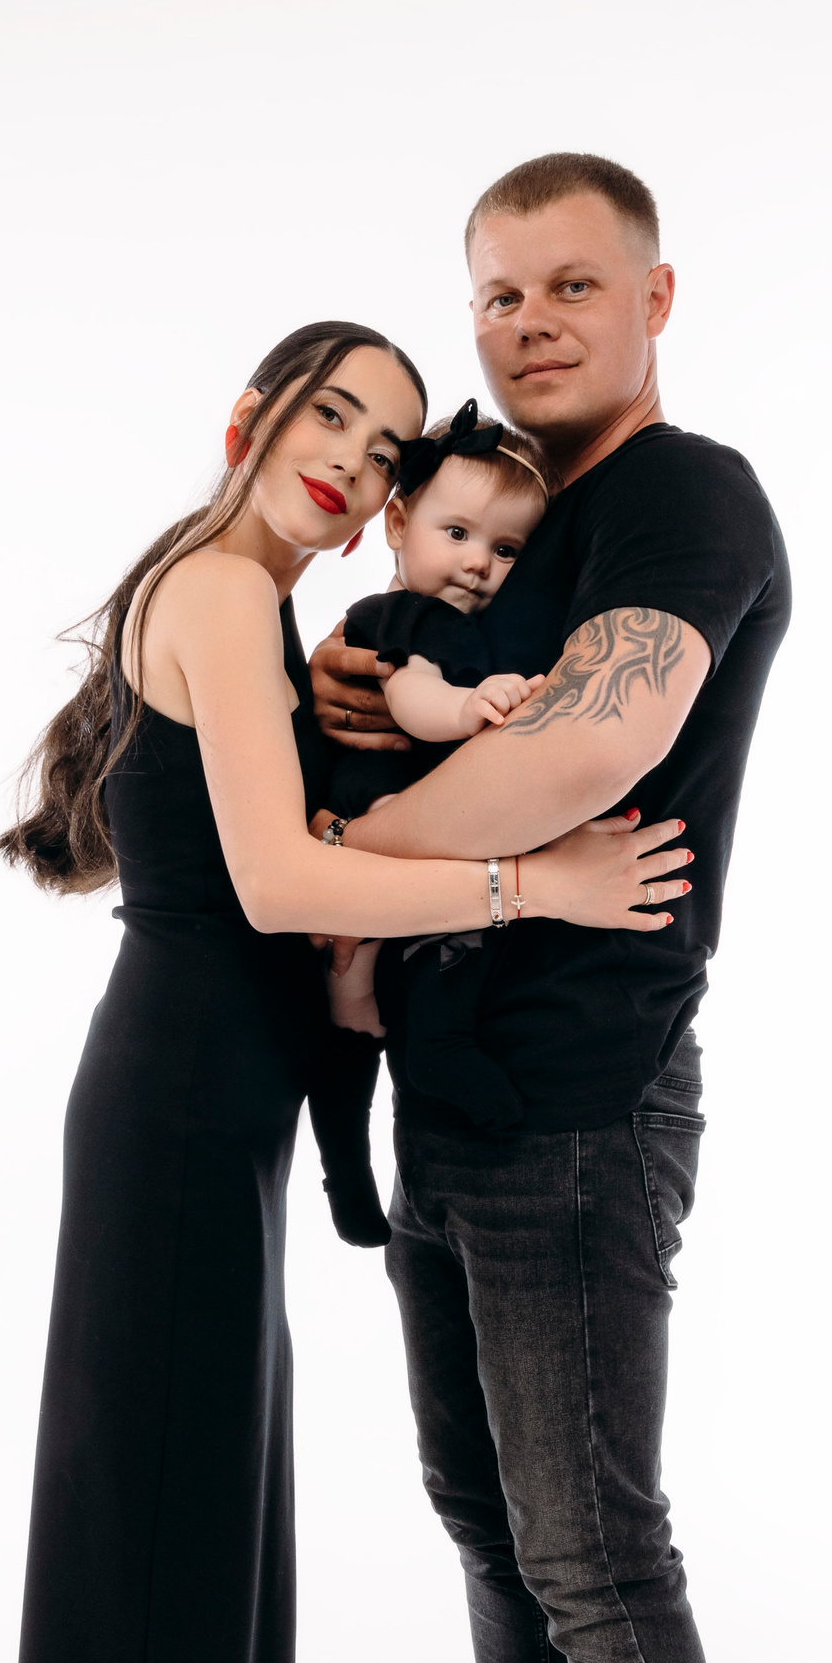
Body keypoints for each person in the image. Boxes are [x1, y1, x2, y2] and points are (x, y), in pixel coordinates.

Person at [0, 319, 692, 1663]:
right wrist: (533, 881)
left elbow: (257, 848)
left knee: (195, 1543)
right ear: (251, 419)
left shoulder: (268, 617)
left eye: (382, 444)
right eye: (332, 415)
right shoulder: (220, 591)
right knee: (156, 1547)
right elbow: (279, 884)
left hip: (218, 1123)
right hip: (177, 1126)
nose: (354, 458)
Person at [303, 155, 792, 1663]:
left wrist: (337, 845)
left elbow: (588, 751)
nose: (531, 322)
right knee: (481, 1506)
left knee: (595, 1550)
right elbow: (426, 718)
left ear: (656, 298)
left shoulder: (687, 500)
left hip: (586, 1100)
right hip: (448, 1081)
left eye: (573, 284)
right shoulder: (504, 515)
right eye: (500, 294)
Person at [306, 398, 550, 1247]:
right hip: (375, 812)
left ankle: (357, 1156)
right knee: (362, 984)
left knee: (411, 976)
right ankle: (350, 1158)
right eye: (458, 534)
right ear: (398, 524)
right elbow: (412, 695)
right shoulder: (405, 618)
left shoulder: (471, 621)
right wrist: (469, 706)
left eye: (506, 549)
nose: (479, 562)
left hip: (407, 827)